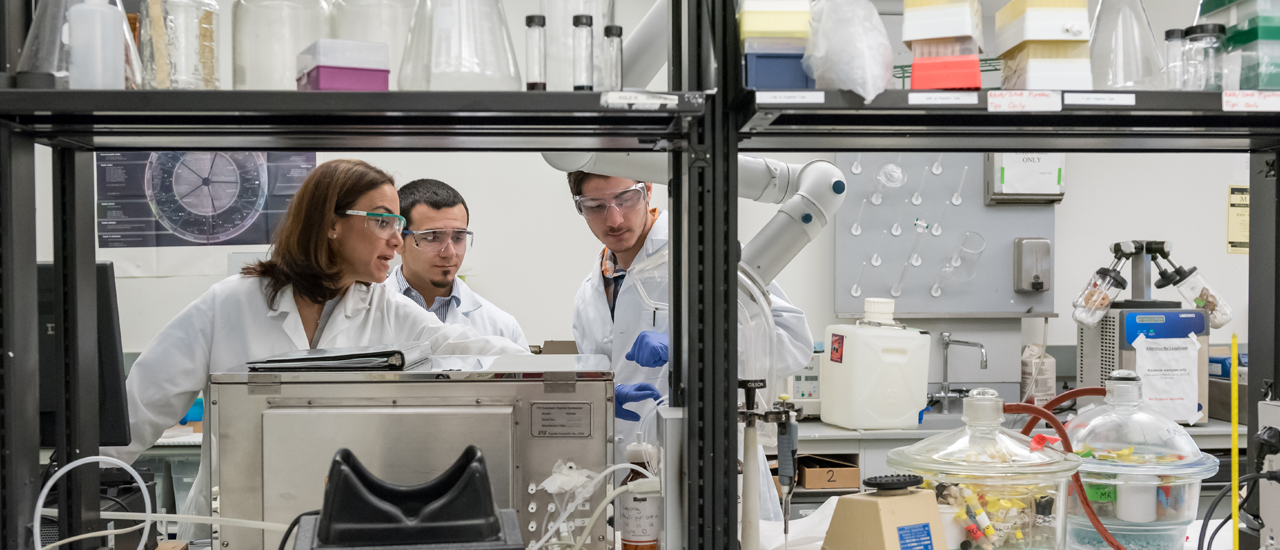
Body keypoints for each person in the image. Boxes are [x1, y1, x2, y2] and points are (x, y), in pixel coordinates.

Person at [102, 159, 526, 539]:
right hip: (234, 525)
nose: (398, 241)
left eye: (398, 224)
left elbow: (470, 348)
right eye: (382, 222)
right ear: (331, 223)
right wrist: (77, 494)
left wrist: (567, 372)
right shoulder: (230, 304)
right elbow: (140, 408)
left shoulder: (387, 310)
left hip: (336, 526)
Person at [566, 171, 813, 520]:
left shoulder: (704, 255)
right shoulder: (588, 295)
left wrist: (690, 346)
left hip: (713, 465)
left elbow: (792, 340)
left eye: (625, 199)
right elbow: (596, 384)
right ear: (579, 206)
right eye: (595, 205)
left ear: (648, 189)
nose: (614, 218)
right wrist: (601, 397)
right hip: (629, 477)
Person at [382, 179, 528, 349]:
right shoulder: (366, 313)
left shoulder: (501, 327)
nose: (450, 252)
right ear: (398, 240)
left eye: (458, 238)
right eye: (432, 237)